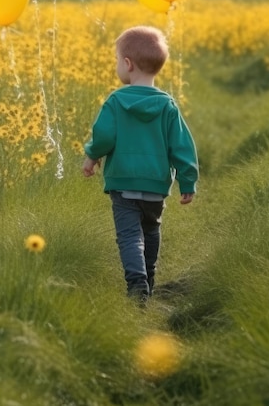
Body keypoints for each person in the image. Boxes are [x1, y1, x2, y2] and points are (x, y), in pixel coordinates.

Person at [82, 25, 198, 304]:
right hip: (155, 183)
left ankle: (137, 285)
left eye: (116, 60)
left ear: (127, 64)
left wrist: (91, 156)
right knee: (150, 228)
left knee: (129, 235)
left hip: (123, 181)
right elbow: (181, 146)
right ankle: (150, 277)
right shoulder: (167, 105)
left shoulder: (116, 101)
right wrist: (187, 180)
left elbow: (104, 137)